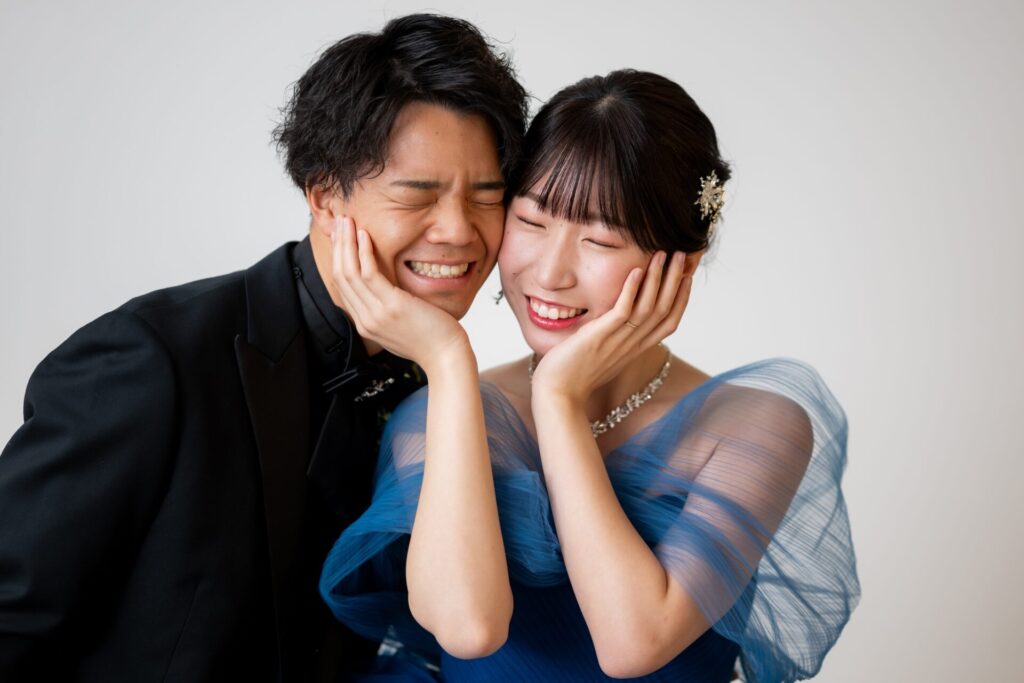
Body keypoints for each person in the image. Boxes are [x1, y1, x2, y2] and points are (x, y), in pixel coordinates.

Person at [0, 14, 527, 682]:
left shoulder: (437, 384)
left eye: (486, 197)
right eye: (417, 196)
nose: (457, 230)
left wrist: (447, 360)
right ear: (323, 195)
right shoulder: (150, 359)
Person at [319, 69, 859, 681]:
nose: (550, 274)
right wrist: (447, 359)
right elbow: (468, 629)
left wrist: (558, 399)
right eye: (531, 222)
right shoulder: (446, 410)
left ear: (683, 263)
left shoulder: (754, 427)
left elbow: (634, 644)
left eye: (600, 240)